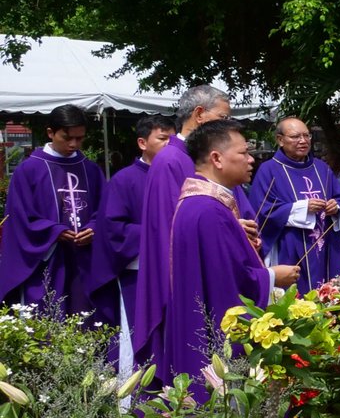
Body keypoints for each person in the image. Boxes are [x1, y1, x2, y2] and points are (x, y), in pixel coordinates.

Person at [163, 119, 299, 399]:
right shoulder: (209, 210)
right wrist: (273, 276)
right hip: (215, 337)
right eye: (243, 153)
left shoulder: (201, 203)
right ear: (217, 158)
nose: (251, 160)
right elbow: (228, 283)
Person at [134, 84, 233, 377]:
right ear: (199, 114)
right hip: (186, 274)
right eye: (223, 117)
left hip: (213, 264)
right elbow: (173, 226)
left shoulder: (206, 156)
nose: (227, 125)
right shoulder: (171, 160)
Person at [87, 116, 174, 373]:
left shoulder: (180, 175)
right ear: (142, 143)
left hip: (174, 270)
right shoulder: (124, 180)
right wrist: (159, 233)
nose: (169, 145)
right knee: (139, 334)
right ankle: (135, 390)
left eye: (173, 139)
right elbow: (113, 229)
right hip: (138, 272)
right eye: (163, 138)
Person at [0, 104, 105, 316]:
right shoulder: (29, 169)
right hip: (46, 260)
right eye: (67, 138)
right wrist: (54, 231)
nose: (74, 144)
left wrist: (94, 228)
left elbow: (106, 210)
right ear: (50, 132)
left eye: (80, 138)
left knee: (85, 321)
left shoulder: (91, 169)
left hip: (84, 261)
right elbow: (19, 218)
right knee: (47, 320)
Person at [250, 117, 340, 293]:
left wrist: (336, 208)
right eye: (295, 136)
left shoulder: (321, 168)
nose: (303, 141)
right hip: (290, 247)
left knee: (332, 296)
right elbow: (262, 211)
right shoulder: (269, 170)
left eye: (306, 135)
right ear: (280, 140)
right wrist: (303, 208)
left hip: (326, 247)